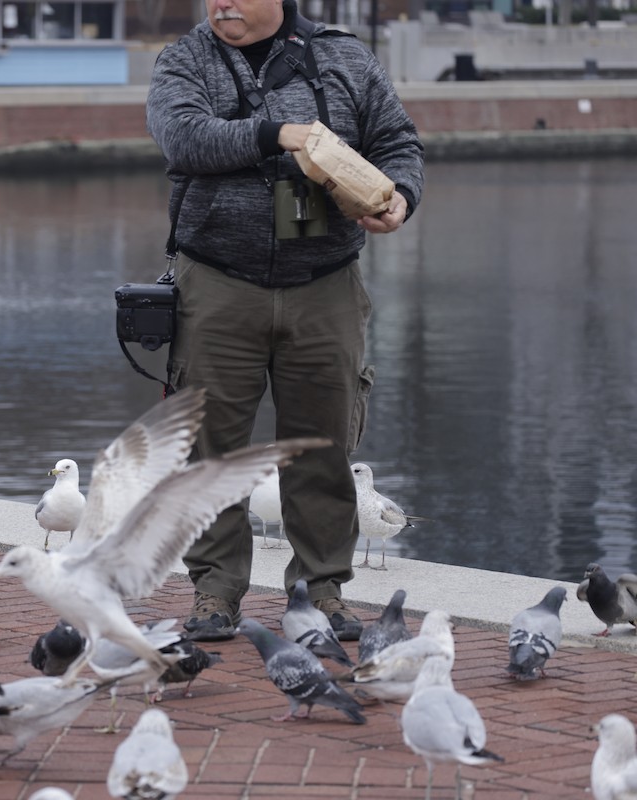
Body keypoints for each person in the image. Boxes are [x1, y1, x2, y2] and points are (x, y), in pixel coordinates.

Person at [146, 0, 424, 641]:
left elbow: (398, 143)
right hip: (217, 280)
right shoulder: (187, 58)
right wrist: (279, 134)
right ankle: (215, 593)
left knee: (324, 449)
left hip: (324, 284)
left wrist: (401, 198)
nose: (222, 5)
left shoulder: (344, 56)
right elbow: (183, 138)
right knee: (211, 451)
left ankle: (321, 592)